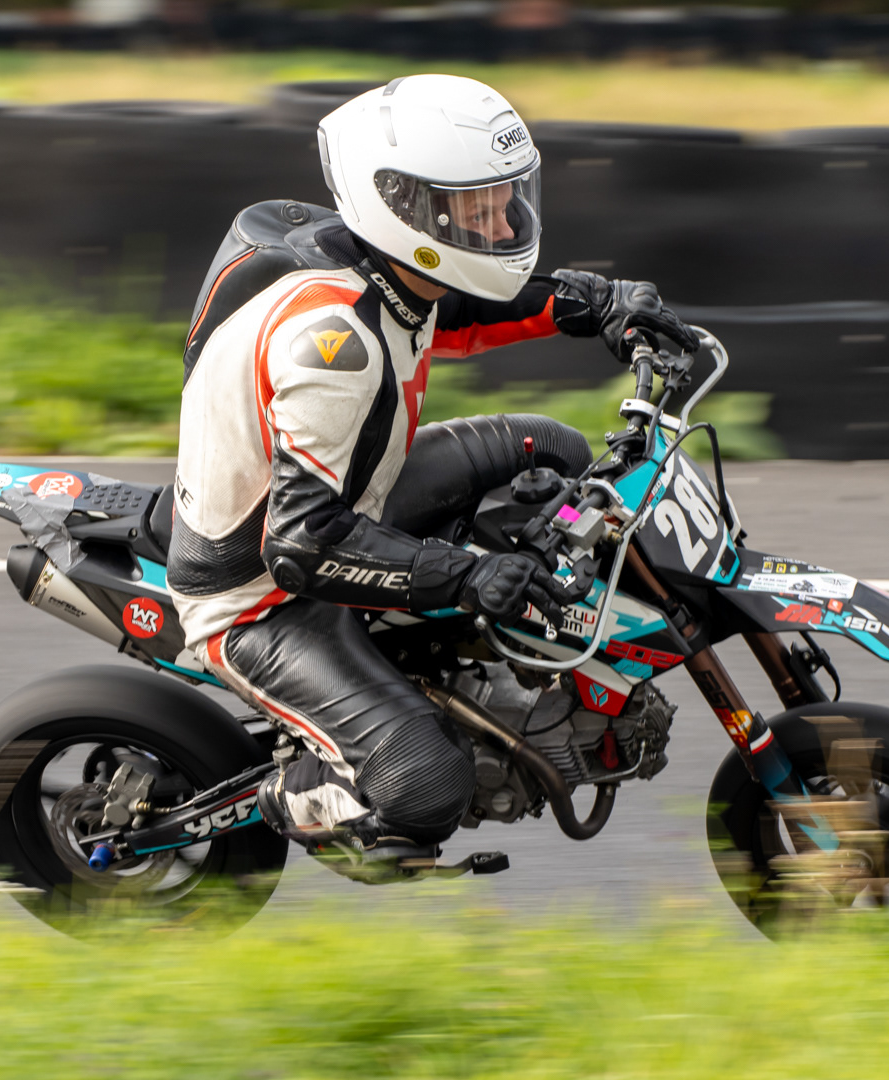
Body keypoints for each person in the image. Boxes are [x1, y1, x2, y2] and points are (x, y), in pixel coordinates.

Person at [168, 74, 698, 877]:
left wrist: (595, 302)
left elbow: (449, 308)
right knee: (425, 789)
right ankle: (290, 794)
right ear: (403, 208)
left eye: (507, 198)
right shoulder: (334, 348)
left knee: (554, 449)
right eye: (476, 209)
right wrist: (468, 575)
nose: (504, 224)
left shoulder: (365, 257)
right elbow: (302, 551)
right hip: (260, 590)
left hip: (354, 492)